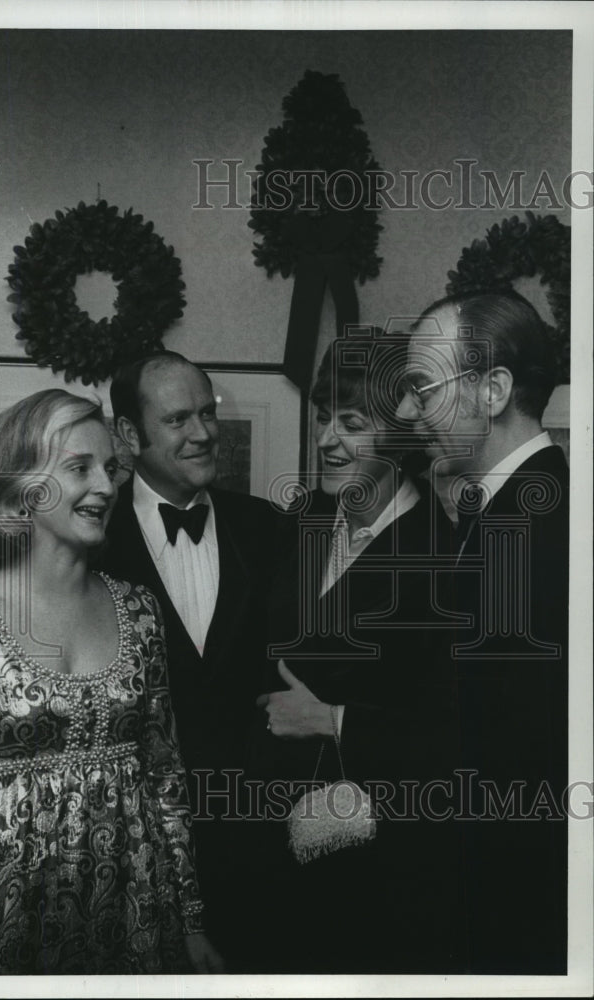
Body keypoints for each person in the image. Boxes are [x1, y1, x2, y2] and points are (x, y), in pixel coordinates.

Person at [0, 389, 222, 975]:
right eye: (79, 468)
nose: (108, 486)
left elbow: (165, 774)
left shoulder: (139, 610)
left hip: (135, 905)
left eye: (110, 468)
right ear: (22, 485)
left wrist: (191, 920)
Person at [255, 334, 460, 974]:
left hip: (384, 862)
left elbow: (457, 730)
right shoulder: (298, 523)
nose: (326, 441)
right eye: (322, 419)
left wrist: (332, 719)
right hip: (265, 845)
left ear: (399, 433)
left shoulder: (447, 554)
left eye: (350, 423)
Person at [395, 290, 568, 974]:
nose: (408, 412)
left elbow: (487, 744)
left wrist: (341, 724)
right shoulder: (514, 509)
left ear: (493, 388)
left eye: (421, 388)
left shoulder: (527, 530)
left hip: (514, 900)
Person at [101, 352, 281, 970]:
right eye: (178, 418)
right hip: (136, 863)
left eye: (208, 413)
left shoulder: (266, 528)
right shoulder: (89, 542)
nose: (203, 433)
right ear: (129, 434)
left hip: (263, 852)